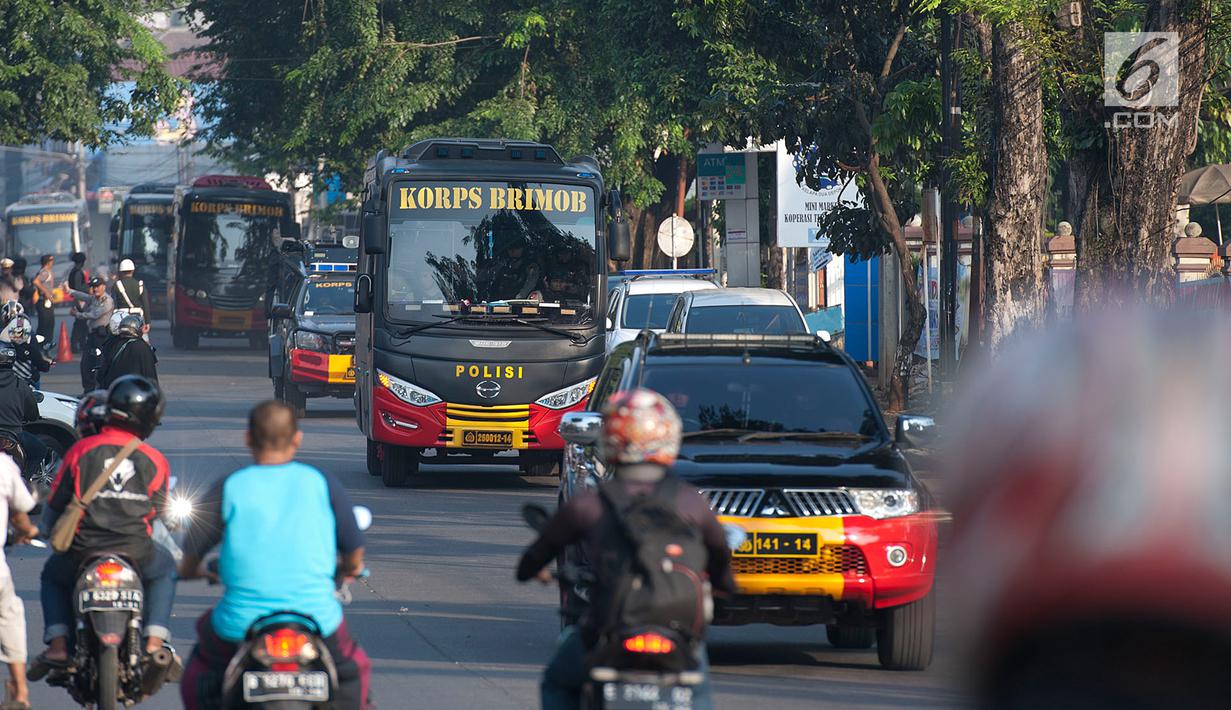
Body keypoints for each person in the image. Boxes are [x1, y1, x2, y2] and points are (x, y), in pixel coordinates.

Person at [516, 388, 734, 710]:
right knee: (697, 687)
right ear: (669, 437)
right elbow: (720, 559)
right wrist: (725, 587)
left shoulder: (590, 504)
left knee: (557, 682)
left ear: (611, 438)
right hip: (679, 635)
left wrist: (535, 570)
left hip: (608, 628)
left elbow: (535, 557)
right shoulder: (691, 501)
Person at [178, 400, 371, 710]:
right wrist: (351, 567)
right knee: (353, 669)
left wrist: (195, 571)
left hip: (240, 622)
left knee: (200, 670)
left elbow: (189, 556)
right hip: (317, 618)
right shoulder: (321, 483)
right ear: (297, 438)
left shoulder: (230, 486)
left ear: (248, 438)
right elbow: (353, 547)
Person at [29, 376, 175, 677]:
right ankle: (154, 641)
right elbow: (163, 513)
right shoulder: (153, 458)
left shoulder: (81, 451)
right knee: (164, 570)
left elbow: (55, 503)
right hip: (136, 548)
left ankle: (58, 644)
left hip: (83, 548)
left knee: (53, 577)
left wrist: (44, 531)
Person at [0, 445, 38, 710]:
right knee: (10, 614)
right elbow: (22, 513)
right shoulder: (4, 466)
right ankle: (19, 689)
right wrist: (28, 531)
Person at [0, 347, 45, 494]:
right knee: (40, 450)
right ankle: (24, 479)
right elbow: (32, 414)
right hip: (14, 434)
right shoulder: (21, 384)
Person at [69, 277, 114, 393]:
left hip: (102, 337)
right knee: (86, 364)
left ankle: (101, 390)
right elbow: (84, 296)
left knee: (100, 364)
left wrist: (77, 314)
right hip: (91, 336)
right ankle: (88, 391)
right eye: (93, 287)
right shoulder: (94, 298)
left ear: (103, 287)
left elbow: (94, 315)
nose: (95, 289)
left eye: (97, 286)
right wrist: (70, 291)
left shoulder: (107, 301)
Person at [99, 314, 157, 388]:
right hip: (137, 392)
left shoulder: (113, 344)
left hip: (115, 391)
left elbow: (102, 373)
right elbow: (150, 375)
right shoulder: (143, 347)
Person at [0, 312, 49, 390]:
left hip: (7, 384)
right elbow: (41, 363)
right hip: (25, 384)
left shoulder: (3, 341)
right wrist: (46, 364)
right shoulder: (31, 345)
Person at [112, 258, 152, 325]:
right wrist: (147, 322)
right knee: (142, 335)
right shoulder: (140, 285)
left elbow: (113, 303)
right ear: (133, 270)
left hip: (121, 318)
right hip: (137, 318)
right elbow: (145, 304)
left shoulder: (117, 285)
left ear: (121, 271)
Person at [31, 256, 55, 353]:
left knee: (46, 324)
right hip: (43, 301)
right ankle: (43, 345)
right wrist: (46, 293)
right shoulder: (44, 272)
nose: (53, 263)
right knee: (46, 324)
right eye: (51, 261)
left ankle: (42, 345)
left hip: (46, 302)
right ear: (48, 262)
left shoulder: (46, 272)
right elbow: (36, 281)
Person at [67, 253, 88, 353]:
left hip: (78, 299)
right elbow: (78, 288)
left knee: (82, 324)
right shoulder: (77, 273)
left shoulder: (74, 271)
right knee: (80, 323)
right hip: (80, 300)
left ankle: (81, 344)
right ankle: (75, 345)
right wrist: (88, 287)